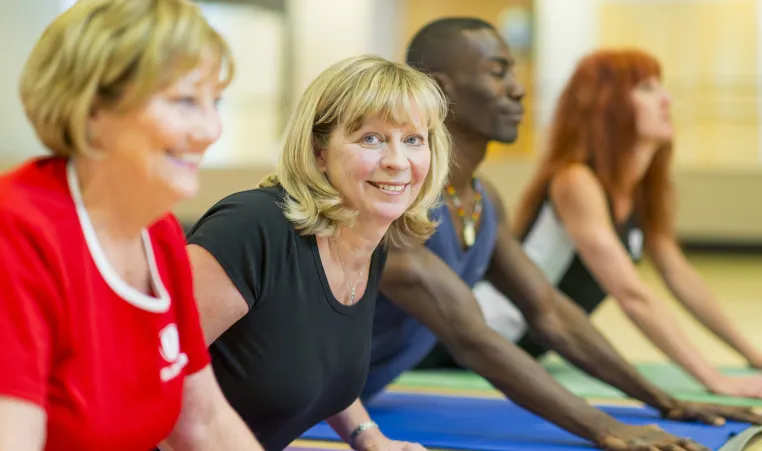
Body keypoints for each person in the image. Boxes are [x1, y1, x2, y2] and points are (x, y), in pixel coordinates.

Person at [360, 17, 762, 451]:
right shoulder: (395, 203)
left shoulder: (482, 198)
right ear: (441, 90)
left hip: (364, 395)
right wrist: (604, 427)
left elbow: (549, 309)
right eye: (498, 73)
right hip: (299, 399)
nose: (518, 89)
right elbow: (471, 337)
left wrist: (666, 402)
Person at [0, 0, 266, 450]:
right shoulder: (18, 232)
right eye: (184, 101)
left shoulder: (157, 232)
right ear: (92, 110)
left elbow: (202, 420)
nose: (210, 129)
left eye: (213, 102)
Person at [184, 54, 449, 451]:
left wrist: (371, 439)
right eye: (371, 139)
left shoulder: (366, 242)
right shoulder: (253, 228)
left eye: (413, 140)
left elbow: (316, 360)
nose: (397, 161)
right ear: (319, 151)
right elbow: (145, 369)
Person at [499, 47, 762, 399]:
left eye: (661, 87)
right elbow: (632, 295)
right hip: (483, 334)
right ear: (608, 106)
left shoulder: (640, 190)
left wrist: (753, 355)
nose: (666, 99)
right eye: (647, 89)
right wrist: (716, 381)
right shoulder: (575, 181)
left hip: (531, 346)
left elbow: (680, 276)